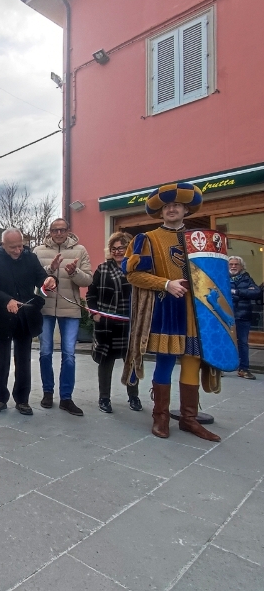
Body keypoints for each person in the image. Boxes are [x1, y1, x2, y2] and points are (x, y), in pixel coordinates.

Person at [122, 182, 220, 442]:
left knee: (192, 361)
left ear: (186, 209)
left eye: (177, 205)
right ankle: (161, 416)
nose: (172, 209)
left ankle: (189, 418)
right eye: (167, 206)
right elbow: (133, 274)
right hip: (166, 309)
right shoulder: (147, 239)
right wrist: (165, 283)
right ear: (161, 211)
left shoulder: (202, 240)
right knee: (165, 362)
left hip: (198, 312)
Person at [0, 228, 56, 416]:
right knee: (1, 359)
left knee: (23, 360)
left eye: (20, 246)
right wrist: (6, 300)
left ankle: (22, 400)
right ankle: (0, 398)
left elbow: (41, 278)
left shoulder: (30, 258)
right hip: (1, 316)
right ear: (3, 245)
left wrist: (49, 280)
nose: (17, 250)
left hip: (25, 317)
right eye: (13, 247)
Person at [34, 218, 92, 416]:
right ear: (50, 232)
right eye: (54, 230)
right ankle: (47, 393)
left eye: (62, 230)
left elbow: (88, 279)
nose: (58, 233)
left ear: (68, 231)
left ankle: (66, 397)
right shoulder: (38, 251)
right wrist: (50, 270)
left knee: (69, 355)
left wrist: (74, 272)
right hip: (46, 308)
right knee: (45, 353)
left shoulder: (80, 250)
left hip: (71, 309)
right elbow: (33, 277)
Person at [86, 232, 141, 413]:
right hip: (107, 325)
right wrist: (94, 314)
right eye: (114, 248)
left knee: (131, 362)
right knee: (106, 362)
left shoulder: (135, 269)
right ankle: (104, 399)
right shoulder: (102, 269)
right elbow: (91, 294)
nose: (117, 252)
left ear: (128, 249)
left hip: (130, 324)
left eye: (121, 248)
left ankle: (133, 396)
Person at [228, 256, 261, 380]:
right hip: (227, 315)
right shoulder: (223, 278)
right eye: (231, 264)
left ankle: (243, 369)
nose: (233, 266)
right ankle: (222, 367)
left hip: (243, 316)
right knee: (226, 341)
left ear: (241, 266)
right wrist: (244, 293)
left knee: (242, 343)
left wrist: (236, 292)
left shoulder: (246, 278)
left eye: (236, 264)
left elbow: (256, 292)